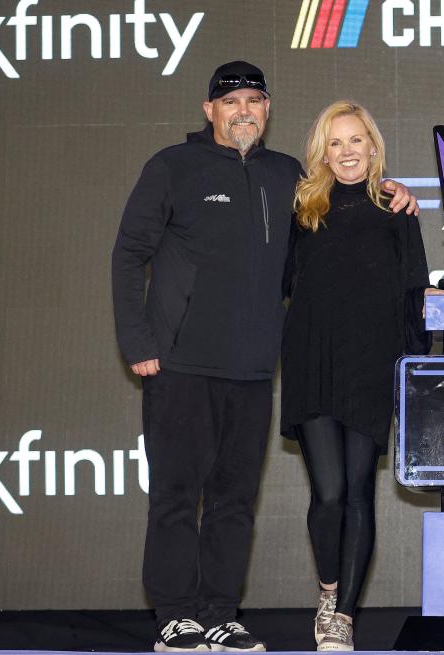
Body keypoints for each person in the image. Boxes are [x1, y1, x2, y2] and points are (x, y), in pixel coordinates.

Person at [111, 63, 417, 653]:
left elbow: (346, 207)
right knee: (176, 495)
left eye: (254, 100)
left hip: (253, 369)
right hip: (178, 362)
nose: (244, 111)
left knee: (234, 501)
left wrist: (393, 189)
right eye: (231, 102)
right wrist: (139, 342)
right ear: (210, 110)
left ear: (268, 109)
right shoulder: (171, 167)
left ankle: (220, 613)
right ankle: (176, 616)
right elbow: (129, 254)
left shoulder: (290, 180)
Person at [280, 101, 443, 652]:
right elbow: (281, 285)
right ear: (321, 152)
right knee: (327, 494)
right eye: (335, 142)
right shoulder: (302, 210)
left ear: (373, 147)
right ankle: (328, 590)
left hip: (372, 365)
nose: (347, 151)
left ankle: (342, 616)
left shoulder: (398, 210)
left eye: (356, 140)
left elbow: (414, 292)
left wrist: (414, 370)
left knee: (357, 495)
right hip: (313, 362)